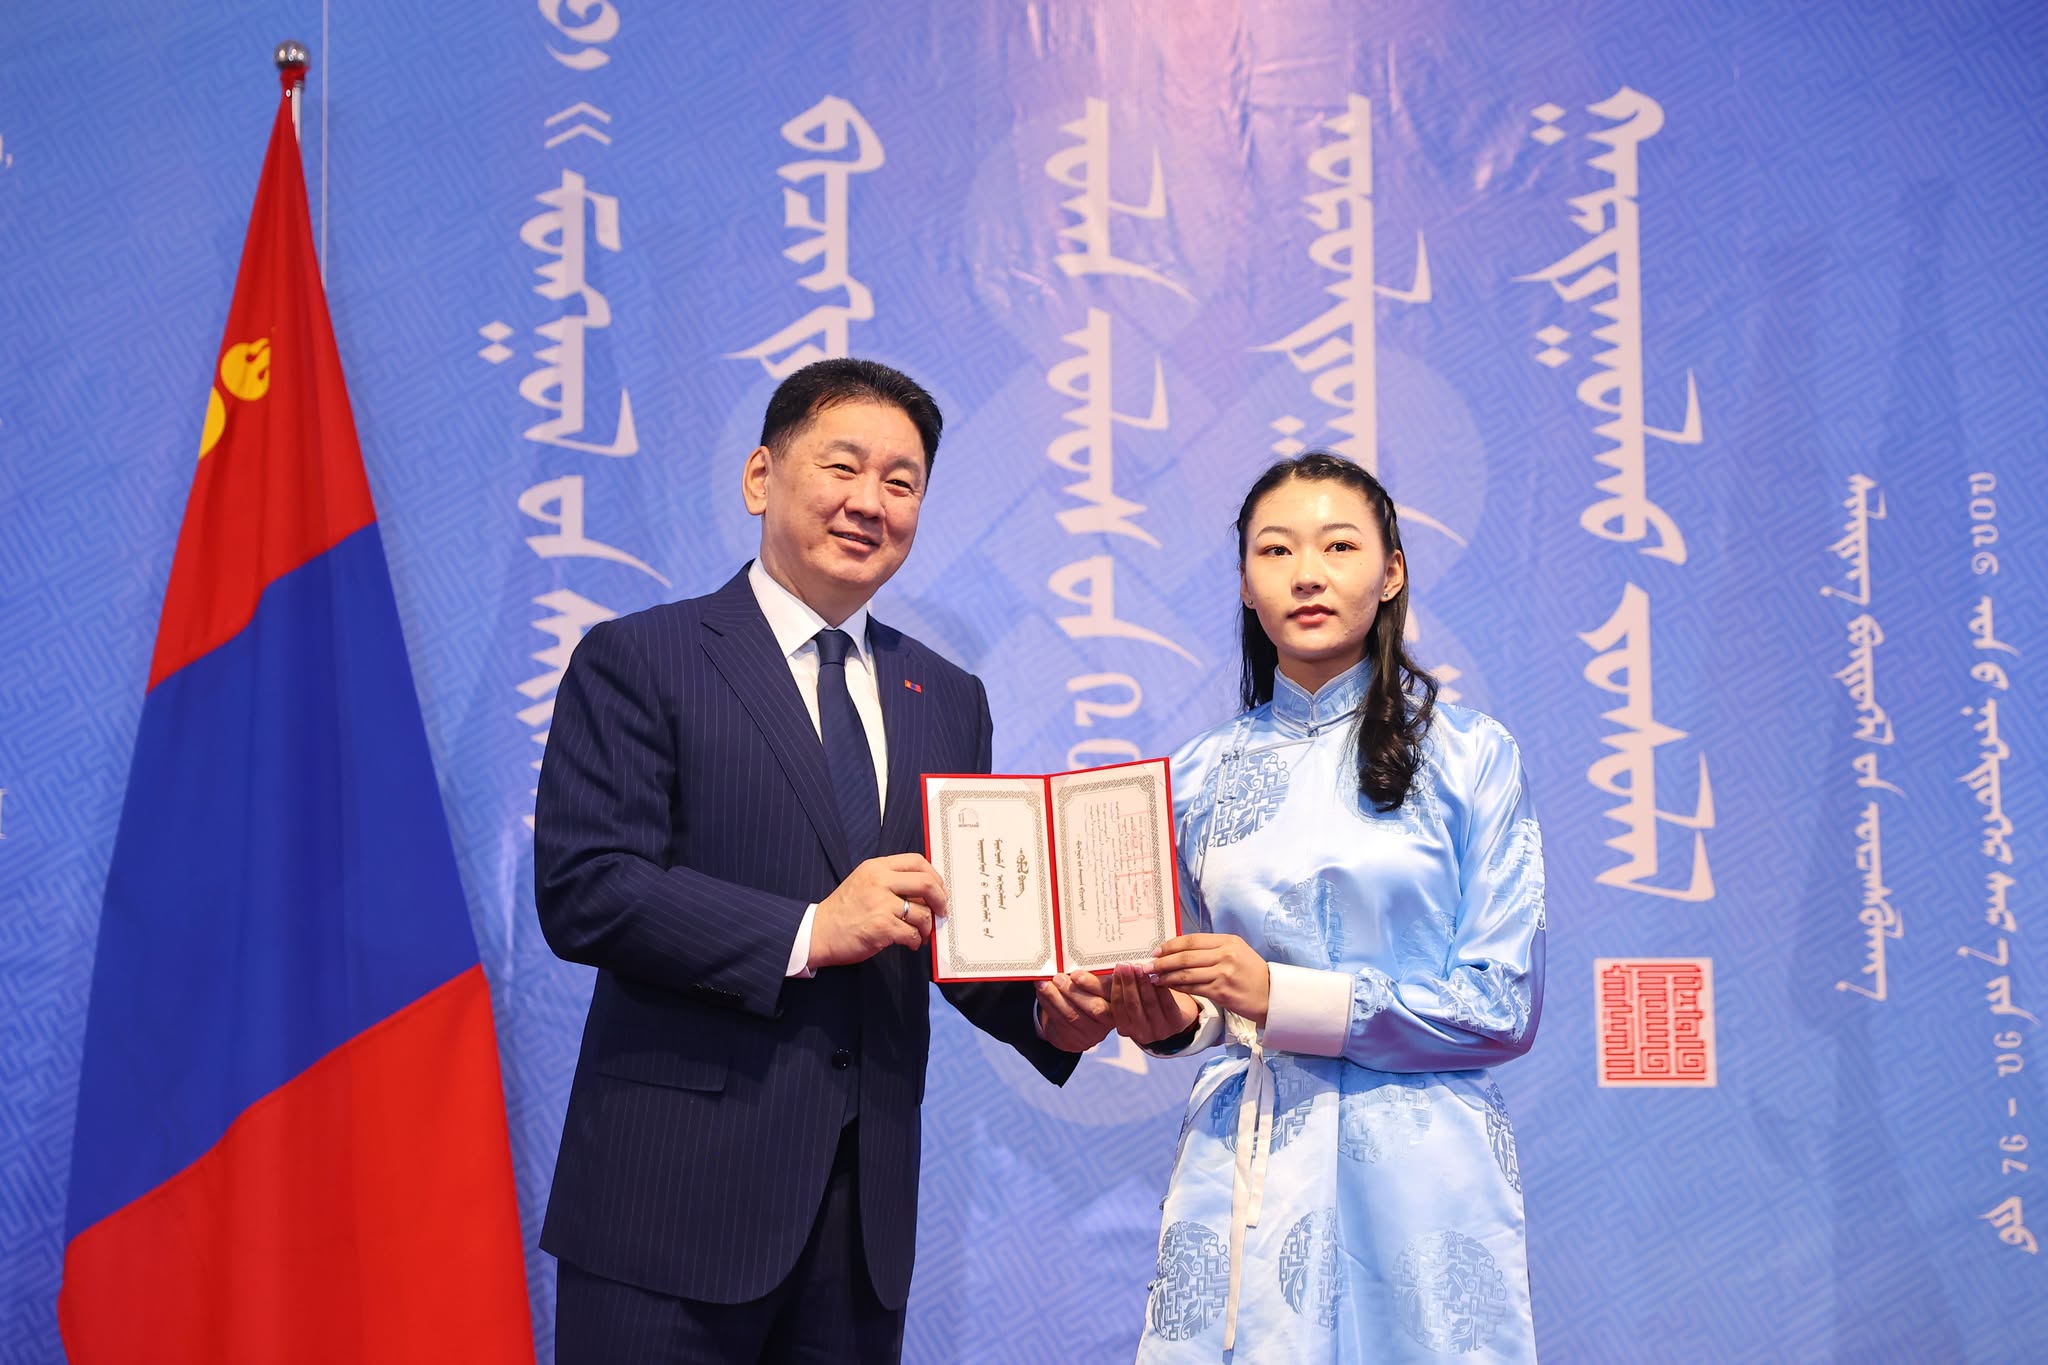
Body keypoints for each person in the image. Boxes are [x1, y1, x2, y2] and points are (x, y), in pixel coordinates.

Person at [533, 358, 1113, 1363]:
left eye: (901, 481)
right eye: (842, 467)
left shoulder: (948, 696)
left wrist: (1049, 1010)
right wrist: (807, 931)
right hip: (667, 1211)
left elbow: (952, 924)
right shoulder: (641, 657)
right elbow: (588, 888)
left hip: (858, 1232)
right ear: (761, 476)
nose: (869, 502)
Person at [1100, 451, 1545, 1361]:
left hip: (1421, 1174)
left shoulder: (1471, 756)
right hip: (1247, 1156)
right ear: (1245, 583)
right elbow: (1203, 997)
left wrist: (1282, 994)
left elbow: (1502, 1004)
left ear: (1392, 572)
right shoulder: (1195, 774)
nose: (1307, 573)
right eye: (1275, 550)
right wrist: (1168, 1021)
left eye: (1339, 545)